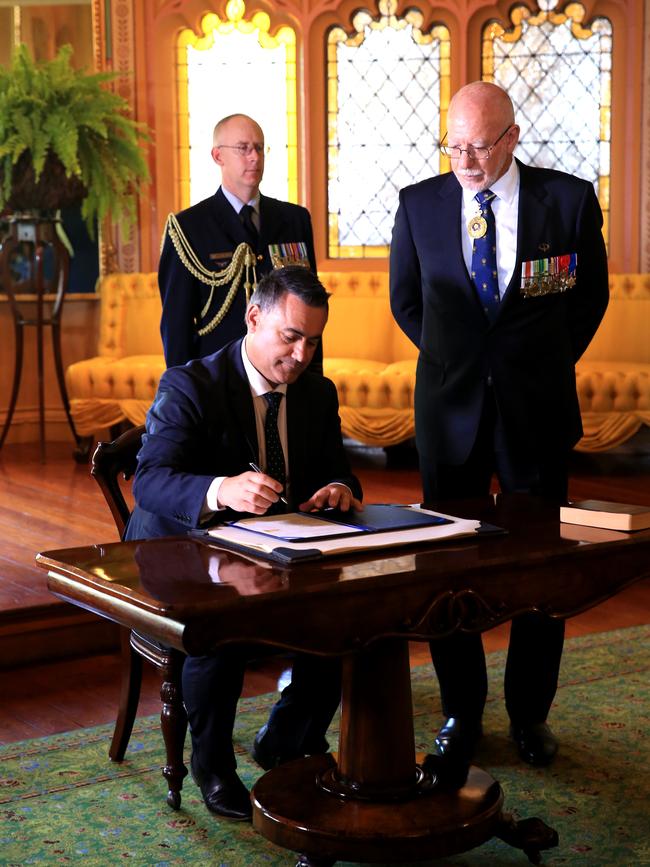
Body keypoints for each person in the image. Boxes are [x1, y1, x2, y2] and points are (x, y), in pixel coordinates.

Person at [389, 81, 609, 769]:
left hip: (536, 413)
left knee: (543, 571)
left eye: (480, 146)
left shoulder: (567, 201)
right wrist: (462, 364)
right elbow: (406, 302)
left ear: (512, 137)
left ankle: (528, 713)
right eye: (454, 145)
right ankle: (461, 710)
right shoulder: (418, 204)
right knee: (448, 566)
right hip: (448, 414)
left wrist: (532, 365)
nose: (467, 161)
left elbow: (589, 299)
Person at [125, 266, 362, 820]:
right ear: (254, 318)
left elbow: (344, 475)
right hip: (179, 553)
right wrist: (221, 488)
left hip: (270, 551)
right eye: (290, 337)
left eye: (312, 341)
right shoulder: (190, 384)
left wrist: (337, 490)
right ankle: (213, 769)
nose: (302, 355)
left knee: (349, 613)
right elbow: (149, 480)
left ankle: (285, 737)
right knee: (221, 630)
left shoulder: (315, 393)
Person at [158, 113, 318, 368]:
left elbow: (311, 308)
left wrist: (314, 382)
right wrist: (182, 390)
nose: (254, 157)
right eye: (243, 149)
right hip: (219, 375)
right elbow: (176, 324)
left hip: (288, 372)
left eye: (258, 148)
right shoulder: (188, 228)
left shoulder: (294, 219)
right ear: (218, 156)